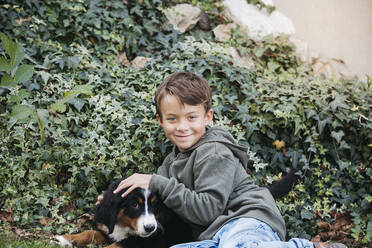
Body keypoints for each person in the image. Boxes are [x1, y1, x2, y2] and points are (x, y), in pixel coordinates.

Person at [110, 72, 346, 248]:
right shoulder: (171, 163)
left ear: (207, 117)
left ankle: (309, 247)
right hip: (212, 237)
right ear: (160, 120)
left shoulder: (214, 151)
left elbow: (207, 210)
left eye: (191, 117)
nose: (182, 127)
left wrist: (156, 181)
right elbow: (159, 198)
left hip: (246, 222)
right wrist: (113, 199)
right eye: (172, 118)